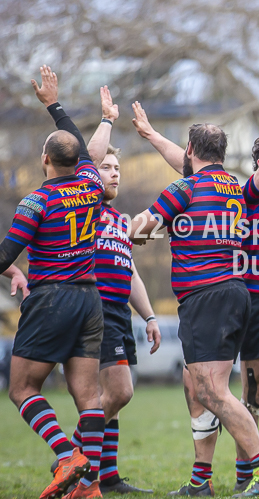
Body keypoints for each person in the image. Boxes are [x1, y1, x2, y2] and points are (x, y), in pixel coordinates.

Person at [128, 102, 259, 497]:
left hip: (206, 296)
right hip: (236, 293)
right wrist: (149, 135)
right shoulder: (234, 186)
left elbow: (139, 230)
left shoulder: (184, 189)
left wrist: (135, 229)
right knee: (196, 386)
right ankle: (201, 482)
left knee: (214, 391)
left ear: (190, 151)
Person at [52, 85, 163, 496]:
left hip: (118, 311)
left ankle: (105, 475)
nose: (115, 173)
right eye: (108, 168)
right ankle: (73, 457)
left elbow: (129, 270)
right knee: (118, 392)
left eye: (119, 169)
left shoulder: (119, 220)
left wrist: (149, 316)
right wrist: (107, 119)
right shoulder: (84, 209)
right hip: (92, 310)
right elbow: (88, 157)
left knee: (108, 397)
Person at [2, 66, 106, 499]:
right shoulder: (93, 184)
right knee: (89, 398)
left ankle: (67, 456)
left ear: (45, 160)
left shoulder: (36, 200)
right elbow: (78, 146)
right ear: (76, 161)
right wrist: (53, 106)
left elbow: (6, 256)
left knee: (22, 388)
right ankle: (90, 486)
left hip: (51, 299)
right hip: (90, 300)